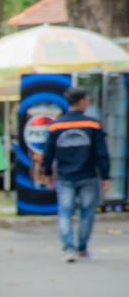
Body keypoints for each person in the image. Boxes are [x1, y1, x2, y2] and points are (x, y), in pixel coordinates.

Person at [31, 87, 111, 261]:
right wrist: (106, 177)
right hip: (89, 176)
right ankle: (82, 248)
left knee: (65, 212)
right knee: (87, 212)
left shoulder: (55, 126)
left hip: (65, 177)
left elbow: (48, 153)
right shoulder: (93, 125)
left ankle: (68, 249)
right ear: (82, 102)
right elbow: (101, 154)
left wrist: (47, 174)